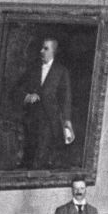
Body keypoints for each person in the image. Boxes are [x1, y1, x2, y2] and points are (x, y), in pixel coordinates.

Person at [16, 36, 73, 169]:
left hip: (51, 121)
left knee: (43, 158)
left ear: (53, 51)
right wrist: (27, 96)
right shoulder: (32, 70)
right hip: (31, 121)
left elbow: (66, 98)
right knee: (29, 158)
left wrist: (67, 121)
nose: (42, 51)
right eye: (42, 48)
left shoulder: (61, 71)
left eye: (46, 48)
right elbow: (16, 90)